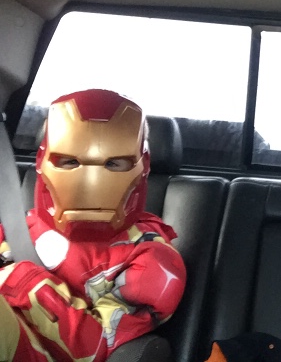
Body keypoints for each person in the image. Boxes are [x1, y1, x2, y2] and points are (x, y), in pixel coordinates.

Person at [0, 89, 186, 362]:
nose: (90, 179)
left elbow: (92, 349)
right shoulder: (20, 224)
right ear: (43, 159)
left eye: (113, 163)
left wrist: (20, 280)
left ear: (141, 164)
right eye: (70, 161)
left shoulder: (152, 259)